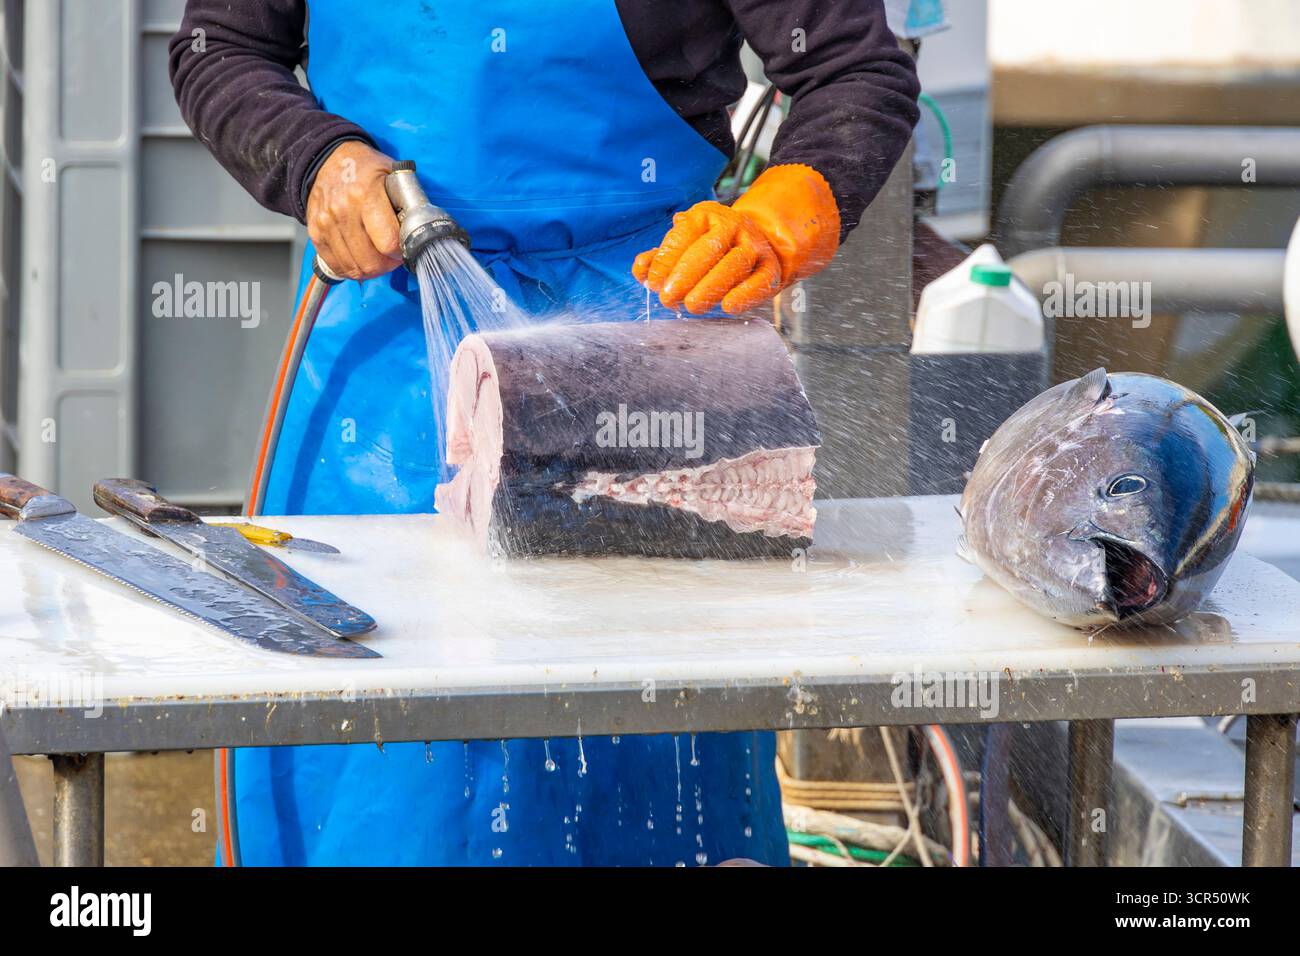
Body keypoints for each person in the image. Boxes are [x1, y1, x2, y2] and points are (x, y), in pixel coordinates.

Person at [170, 0, 919, 866]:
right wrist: (316, 159)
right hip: (387, 377)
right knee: (385, 764)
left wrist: (790, 203)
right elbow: (215, 47)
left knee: (637, 752)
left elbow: (854, 67)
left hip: (643, 349)